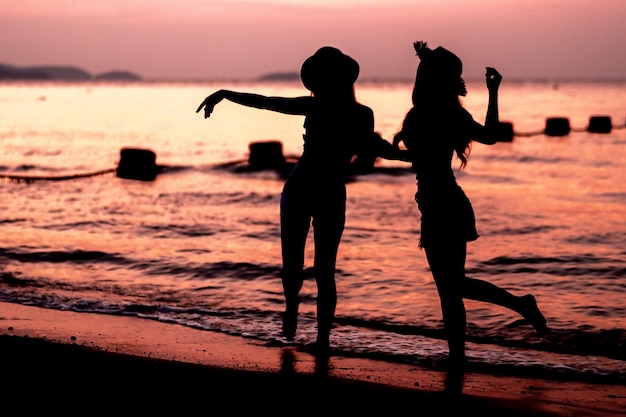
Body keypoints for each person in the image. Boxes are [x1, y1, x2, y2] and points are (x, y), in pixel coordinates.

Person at [196, 46, 409, 355]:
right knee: (300, 267)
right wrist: (226, 94)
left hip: (324, 189)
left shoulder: (351, 113)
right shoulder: (328, 108)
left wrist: (405, 154)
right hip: (307, 187)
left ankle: (321, 338)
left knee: (323, 270)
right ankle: (294, 310)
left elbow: (370, 150)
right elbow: (269, 103)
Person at [392, 41, 548, 391]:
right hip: (431, 207)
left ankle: (518, 305)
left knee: (452, 286)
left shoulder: (450, 115)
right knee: (449, 290)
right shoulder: (418, 115)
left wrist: (494, 92)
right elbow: (420, 159)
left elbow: (491, 136)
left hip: (448, 205)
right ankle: (458, 356)